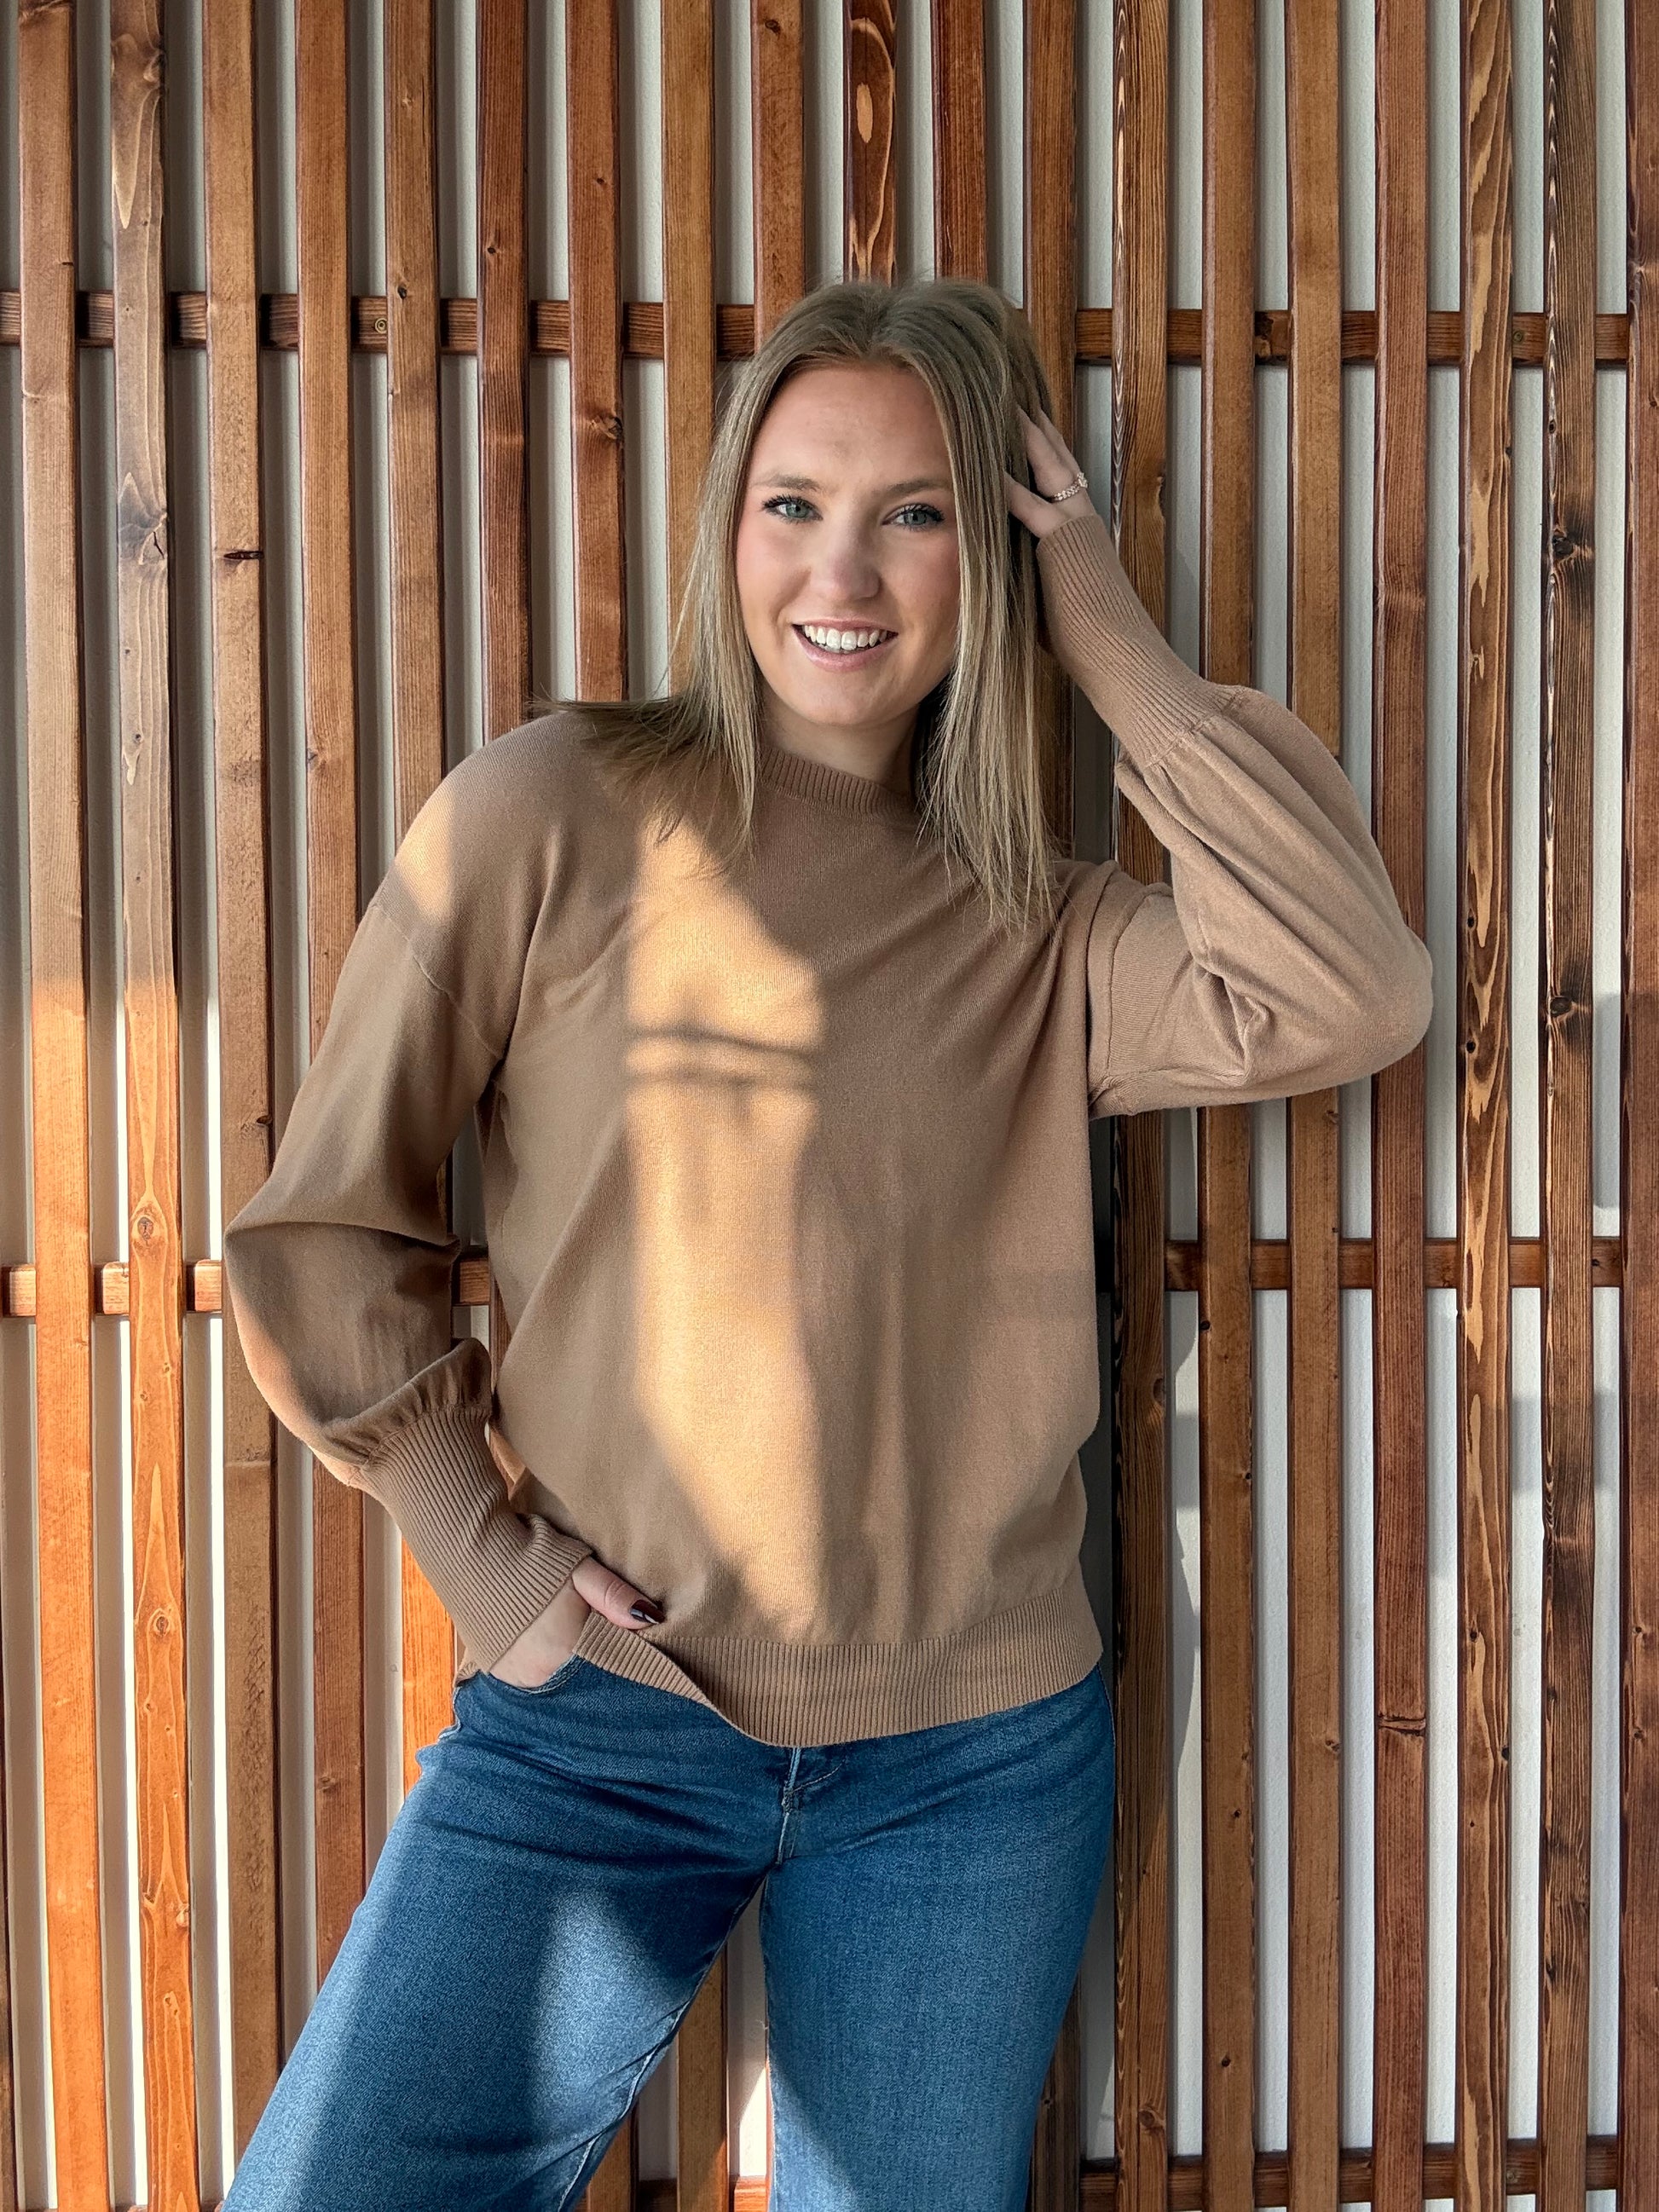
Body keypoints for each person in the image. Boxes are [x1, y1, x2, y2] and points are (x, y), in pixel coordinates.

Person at [220, 275, 1432, 2210]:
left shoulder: (1050, 926)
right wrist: (482, 1548)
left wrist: (1101, 622)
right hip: (603, 1721)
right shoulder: (548, 814)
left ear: (992, 557)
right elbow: (322, 1229)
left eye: (916, 512)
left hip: (977, 1768)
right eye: (792, 503)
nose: (839, 571)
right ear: (726, 527)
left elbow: (1350, 986)